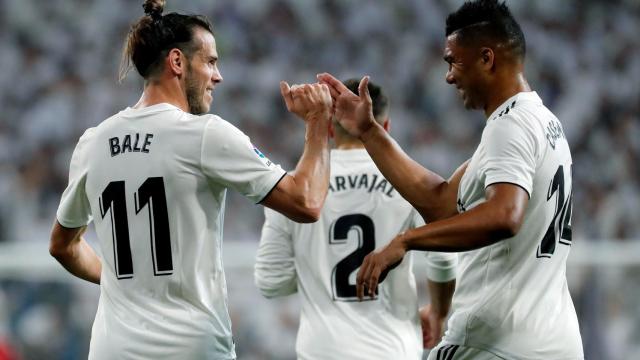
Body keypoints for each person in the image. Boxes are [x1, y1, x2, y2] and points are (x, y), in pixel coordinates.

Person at [48, 1, 333, 359]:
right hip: (190, 347)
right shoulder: (204, 135)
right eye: (211, 61)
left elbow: (62, 245)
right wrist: (318, 122)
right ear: (178, 63)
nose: (219, 76)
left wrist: (124, 283)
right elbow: (306, 202)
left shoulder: (93, 143)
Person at [317, 0, 583, 359]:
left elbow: (505, 215)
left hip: (494, 342)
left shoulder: (510, 126)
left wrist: (406, 241)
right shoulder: (542, 121)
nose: (449, 75)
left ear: (487, 58)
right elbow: (441, 204)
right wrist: (368, 131)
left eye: (453, 60)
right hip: (554, 342)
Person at [254, 79, 457, 359]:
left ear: (329, 129)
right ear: (386, 128)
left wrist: (317, 268)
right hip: (393, 348)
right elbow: (444, 259)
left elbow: (271, 281)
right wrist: (437, 312)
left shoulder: (295, 187)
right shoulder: (411, 183)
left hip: (322, 350)